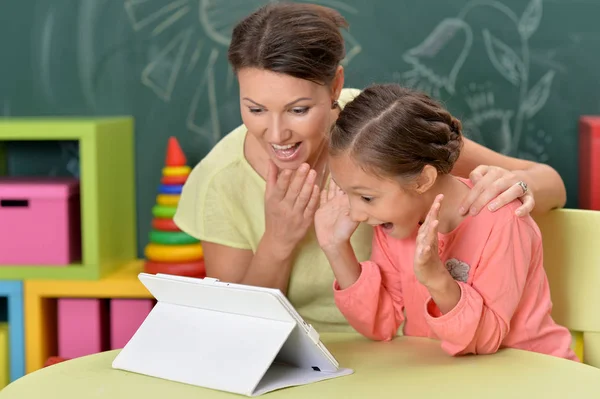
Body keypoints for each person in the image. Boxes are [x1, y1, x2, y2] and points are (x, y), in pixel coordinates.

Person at [173, 2, 567, 334]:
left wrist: (513, 185)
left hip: (417, 345)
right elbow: (237, 327)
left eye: (298, 110)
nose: (276, 133)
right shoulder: (220, 180)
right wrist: (278, 241)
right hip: (302, 354)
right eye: (255, 109)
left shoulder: (376, 128)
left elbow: (551, 184)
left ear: (333, 87)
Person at [314, 83, 577, 360]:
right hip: (449, 376)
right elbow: (380, 325)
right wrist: (336, 248)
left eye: (366, 198)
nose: (356, 215)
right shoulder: (395, 222)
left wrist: (436, 278)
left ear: (422, 180)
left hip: (534, 372)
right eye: (347, 193)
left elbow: (485, 339)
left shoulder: (501, 217)